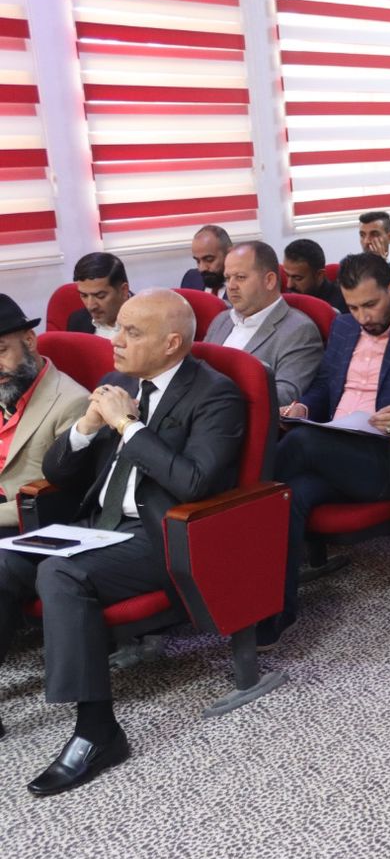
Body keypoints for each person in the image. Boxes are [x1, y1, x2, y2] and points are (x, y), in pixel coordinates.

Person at [0, 289, 243, 794]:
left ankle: (98, 731)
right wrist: (88, 427)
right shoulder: (119, 383)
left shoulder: (215, 394)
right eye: (119, 329)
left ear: (171, 343)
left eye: (132, 332)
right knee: (4, 561)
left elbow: (195, 483)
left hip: (160, 536)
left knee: (60, 572)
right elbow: (57, 473)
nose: (116, 340)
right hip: (96, 526)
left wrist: (127, 426)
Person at [267, 254, 390, 647]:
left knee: (294, 450)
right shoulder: (343, 327)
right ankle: (275, 615)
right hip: (331, 448)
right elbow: (326, 385)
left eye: (370, 305)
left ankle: (237, 495)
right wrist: (305, 408)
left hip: (385, 459)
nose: (362, 317)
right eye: (353, 307)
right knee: (288, 497)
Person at [0, 295, 91, 533]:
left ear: (29, 340)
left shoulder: (72, 402)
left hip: (20, 517)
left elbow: (63, 493)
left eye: (1, 351)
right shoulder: (5, 386)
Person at [206, 240, 324, 406]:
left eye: (240, 277)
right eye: (227, 278)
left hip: (236, 416)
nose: (230, 286)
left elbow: (284, 395)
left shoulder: (299, 331)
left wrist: (212, 401)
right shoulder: (221, 320)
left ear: (269, 280)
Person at [68, 253, 131, 338]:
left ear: (123, 290)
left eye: (100, 296)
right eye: (84, 295)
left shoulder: (146, 321)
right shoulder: (77, 321)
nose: (90, 306)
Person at [280, 238, 348, 314]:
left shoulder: (342, 306)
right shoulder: (284, 299)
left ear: (319, 275)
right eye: (287, 275)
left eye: (297, 278)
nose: (289, 285)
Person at [181, 225, 231, 297]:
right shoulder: (191, 278)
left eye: (209, 260)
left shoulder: (243, 286)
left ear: (229, 254)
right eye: (198, 261)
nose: (202, 268)